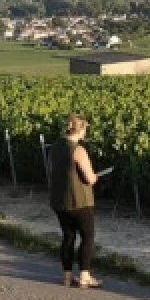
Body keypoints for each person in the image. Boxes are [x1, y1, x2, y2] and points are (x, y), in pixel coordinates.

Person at [48, 114, 102, 289]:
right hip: (79, 201)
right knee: (87, 236)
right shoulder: (78, 150)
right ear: (81, 129)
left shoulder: (55, 147)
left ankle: (67, 276)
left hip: (59, 200)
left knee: (68, 236)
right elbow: (89, 178)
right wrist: (95, 177)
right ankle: (85, 275)